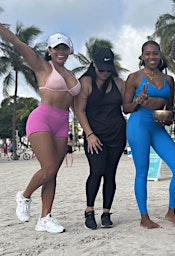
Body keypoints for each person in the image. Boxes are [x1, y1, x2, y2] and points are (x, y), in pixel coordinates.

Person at [0, 8, 80, 233]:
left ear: (69, 51)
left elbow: (79, 104)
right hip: (42, 119)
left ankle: (45, 218)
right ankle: (24, 195)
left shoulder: (73, 75)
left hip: (62, 122)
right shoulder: (42, 65)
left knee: (53, 172)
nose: (61, 52)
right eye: (57, 48)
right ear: (49, 50)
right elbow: (15, 41)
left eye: (64, 48)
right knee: (47, 168)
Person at [123, 40, 175, 229]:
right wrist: (138, 101)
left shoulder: (169, 80)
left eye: (155, 53)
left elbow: (169, 109)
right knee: (142, 171)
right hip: (138, 126)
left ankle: (171, 212)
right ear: (142, 57)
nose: (152, 57)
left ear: (160, 56)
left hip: (158, 128)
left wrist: (168, 118)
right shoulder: (133, 78)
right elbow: (126, 108)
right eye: (147, 54)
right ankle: (144, 217)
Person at [74, 47, 126, 230]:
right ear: (94, 64)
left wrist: (141, 100)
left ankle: (106, 212)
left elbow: (127, 107)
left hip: (117, 135)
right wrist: (89, 135)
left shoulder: (119, 83)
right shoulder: (86, 82)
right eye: (101, 68)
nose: (104, 72)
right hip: (94, 135)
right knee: (96, 171)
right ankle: (89, 211)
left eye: (108, 68)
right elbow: (79, 110)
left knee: (110, 173)